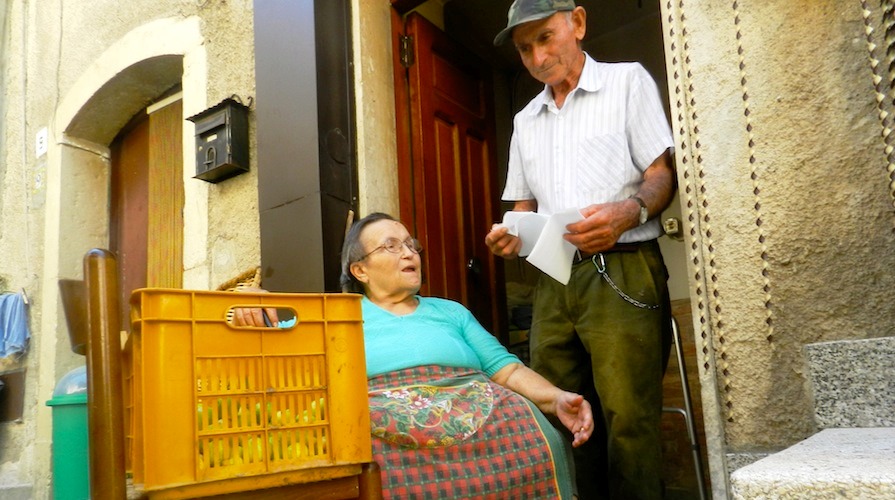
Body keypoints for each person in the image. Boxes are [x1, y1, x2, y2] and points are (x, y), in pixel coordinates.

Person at [236, 212, 594, 498]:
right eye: (391, 246)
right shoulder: (338, 314)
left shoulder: (451, 312)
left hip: (477, 408)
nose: (409, 253)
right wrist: (251, 304)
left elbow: (507, 372)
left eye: (411, 244)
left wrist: (556, 398)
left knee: (531, 428)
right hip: (383, 415)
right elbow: (275, 324)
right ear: (359, 270)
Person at [486, 1, 676, 498]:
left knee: (629, 419)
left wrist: (629, 212)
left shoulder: (626, 82)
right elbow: (523, 208)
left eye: (545, 37)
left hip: (624, 267)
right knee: (562, 412)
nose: (535, 56)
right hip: (555, 279)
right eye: (525, 48)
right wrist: (509, 235)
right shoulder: (526, 119)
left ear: (578, 23)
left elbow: (660, 175)